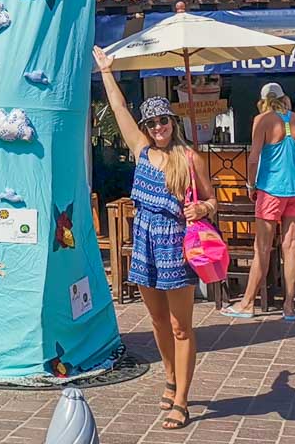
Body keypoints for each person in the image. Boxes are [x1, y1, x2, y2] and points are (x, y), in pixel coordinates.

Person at [94, 46, 216, 431]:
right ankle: (170, 377)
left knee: (181, 326)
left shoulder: (190, 158)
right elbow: (118, 110)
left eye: (163, 120)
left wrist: (204, 209)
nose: (158, 127)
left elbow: (212, 200)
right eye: (152, 123)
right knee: (158, 322)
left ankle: (182, 400)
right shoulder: (142, 151)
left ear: (172, 121)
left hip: (177, 245)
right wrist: (107, 73)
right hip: (145, 242)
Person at [222, 81, 295, 322]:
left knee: (262, 248)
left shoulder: (262, 121)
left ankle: (247, 303)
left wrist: (250, 185)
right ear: (284, 98)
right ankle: (289, 306)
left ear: (263, 101)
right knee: (290, 247)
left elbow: (253, 159)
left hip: (270, 190)